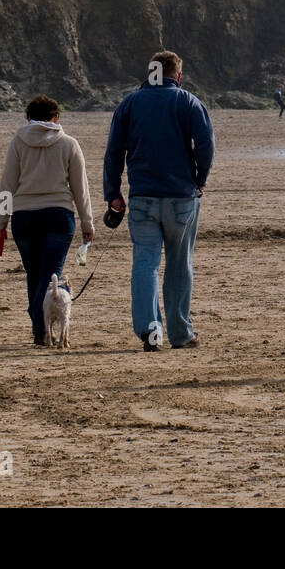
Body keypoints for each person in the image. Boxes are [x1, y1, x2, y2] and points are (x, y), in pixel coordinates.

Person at [103, 50, 215, 351]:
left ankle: (151, 330)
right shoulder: (188, 102)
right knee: (180, 265)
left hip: (142, 196)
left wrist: (112, 193)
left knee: (145, 264)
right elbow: (205, 144)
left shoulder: (129, 104)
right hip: (181, 196)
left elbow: (114, 152)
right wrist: (200, 178)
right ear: (177, 75)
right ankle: (180, 333)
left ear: (150, 71)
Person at [0, 95, 94, 346]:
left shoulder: (18, 142)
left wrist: (2, 221)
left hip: (24, 218)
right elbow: (80, 189)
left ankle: (38, 327)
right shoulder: (69, 144)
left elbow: (7, 185)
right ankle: (40, 328)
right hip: (58, 217)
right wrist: (87, 223)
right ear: (56, 117)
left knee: (35, 275)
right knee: (50, 274)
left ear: (28, 118)